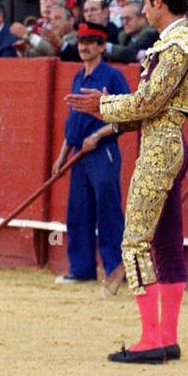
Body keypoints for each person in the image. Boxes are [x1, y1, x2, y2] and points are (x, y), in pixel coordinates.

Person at [64, 0, 188, 364]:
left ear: (159, 1)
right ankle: (167, 337)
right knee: (165, 241)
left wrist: (105, 105)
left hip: (161, 149)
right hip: (165, 141)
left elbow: (149, 101)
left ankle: (150, 339)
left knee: (133, 243)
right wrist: (110, 114)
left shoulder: (180, 44)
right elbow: (153, 107)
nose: (142, 9)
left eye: (145, 1)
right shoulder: (179, 42)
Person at [53, 22, 129, 286]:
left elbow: (126, 117)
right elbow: (73, 121)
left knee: (107, 211)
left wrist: (98, 136)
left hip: (102, 151)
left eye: (91, 42)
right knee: (79, 211)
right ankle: (82, 268)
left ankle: (115, 270)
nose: (84, 47)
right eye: (82, 42)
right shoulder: (78, 76)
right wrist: (62, 154)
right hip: (79, 152)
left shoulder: (113, 76)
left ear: (102, 46)